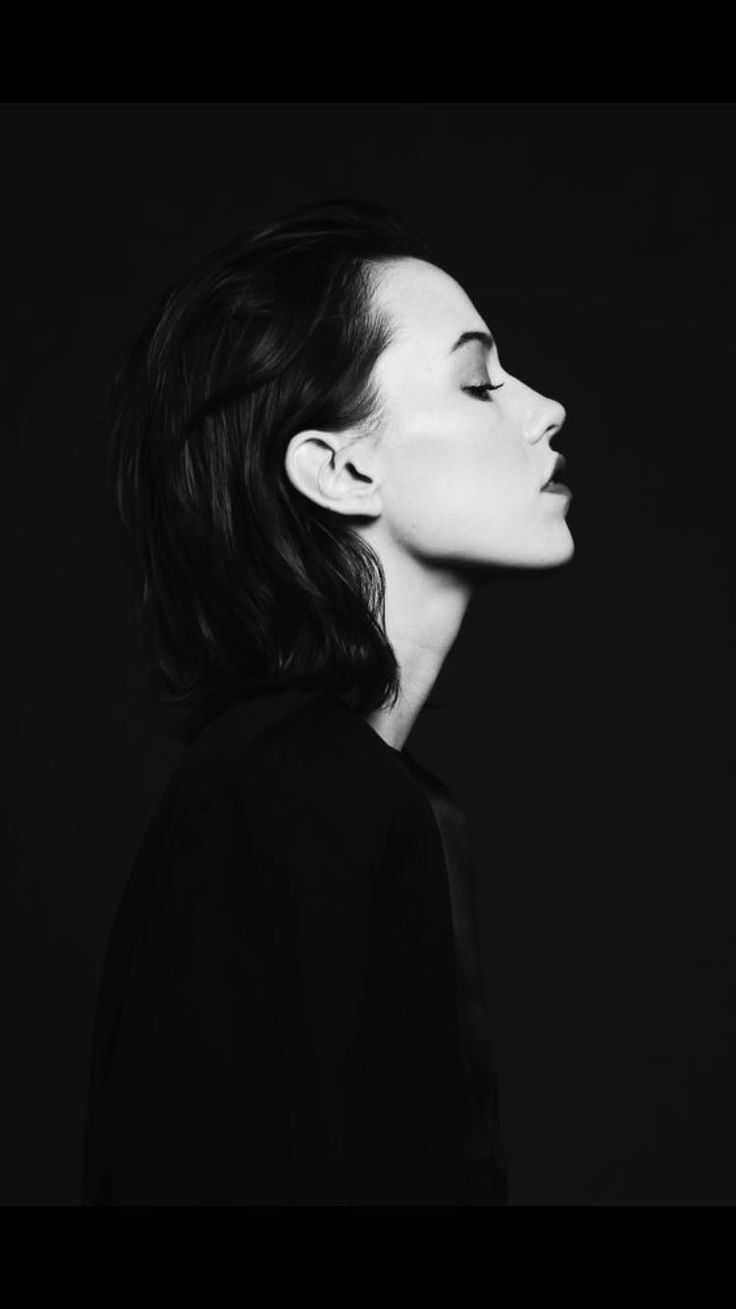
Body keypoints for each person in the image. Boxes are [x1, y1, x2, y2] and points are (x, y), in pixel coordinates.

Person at [81, 197, 572, 1205]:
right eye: (480, 381)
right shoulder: (317, 789)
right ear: (341, 467)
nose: (545, 408)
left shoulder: (283, 775)